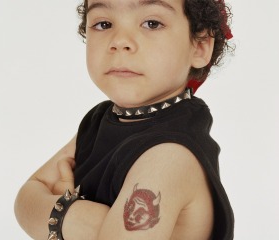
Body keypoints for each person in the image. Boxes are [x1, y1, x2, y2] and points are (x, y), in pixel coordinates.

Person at [14, 0, 235, 239]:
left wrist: (54, 211)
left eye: (152, 23)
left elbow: (37, 202)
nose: (120, 41)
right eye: (104, 23)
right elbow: (25, 199)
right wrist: (76, 217)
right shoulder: (100, 120)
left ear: (200, 46)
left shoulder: (170, 155)